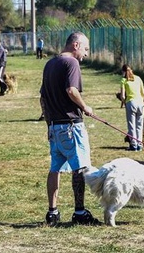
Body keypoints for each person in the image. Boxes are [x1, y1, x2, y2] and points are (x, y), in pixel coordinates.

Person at [40, 31, 100, 226]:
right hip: (71, 126)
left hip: (55, 127)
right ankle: (80, 212)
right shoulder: (71, 63)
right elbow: (71, 90)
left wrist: (49, 124)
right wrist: (85, 107)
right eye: (86, 49)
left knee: (55, 169)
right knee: (80, 168)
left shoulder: (50, 64)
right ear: (75, 45)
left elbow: (42, 98)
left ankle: (52, 212)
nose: (86, 54)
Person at [119, 64, 144, 151]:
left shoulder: (124, 80)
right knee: (139, 125)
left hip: (131, 103)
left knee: (131, 125)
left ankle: (133, 145)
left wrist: (124, 102)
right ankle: (139, 144)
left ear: (123, 72)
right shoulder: (138, 78)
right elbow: (143, 92)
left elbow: (122, 96)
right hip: (141, 103)